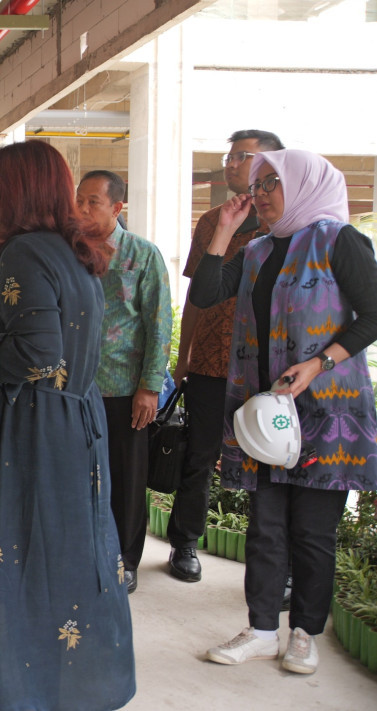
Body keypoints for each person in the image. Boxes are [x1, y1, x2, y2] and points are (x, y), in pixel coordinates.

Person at [0, 139, 135, 711]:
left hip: (33, 433)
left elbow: (38, 356)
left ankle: (24, 690)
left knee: (22, 563)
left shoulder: (24, 252)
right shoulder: (72, 251)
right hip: (73, 426)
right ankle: (56, 689)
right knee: (63, 563)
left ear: (17, 192)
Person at [191, 149, 377, 674]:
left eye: (271, 182)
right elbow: (205, 294)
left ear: (303, 184)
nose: (261, 193)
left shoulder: (338, 240)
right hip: (267, 412)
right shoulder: (256, 249)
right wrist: (225, 230)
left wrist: (319, 363)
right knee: (266, 526)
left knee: (313, 531)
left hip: (326, 410)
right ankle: (261, 630)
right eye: (257, 185)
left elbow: (373, 313)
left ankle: (305, 634)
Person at [170, 129, 283, 583]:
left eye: (243, 156)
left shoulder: (287, 222)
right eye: (230, 156)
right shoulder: (211, 222)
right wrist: (183, 356)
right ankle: (184, 543)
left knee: (270, 463)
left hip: (267, 368)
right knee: (199, 455)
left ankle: (274, 561)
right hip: (212, 360)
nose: (231, 163)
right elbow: (197, 295)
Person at [76, 170, 172, 593]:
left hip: (125, 388)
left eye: (92, 202)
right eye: (79, 200)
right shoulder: (70, 252)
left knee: (127, 478)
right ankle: (84, 553)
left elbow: (159, 324)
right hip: (75, 385)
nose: (82, 209)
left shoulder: (142, 255)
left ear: (117, 207)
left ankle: (125, 560)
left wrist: (149, 388)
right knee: (79, 473)